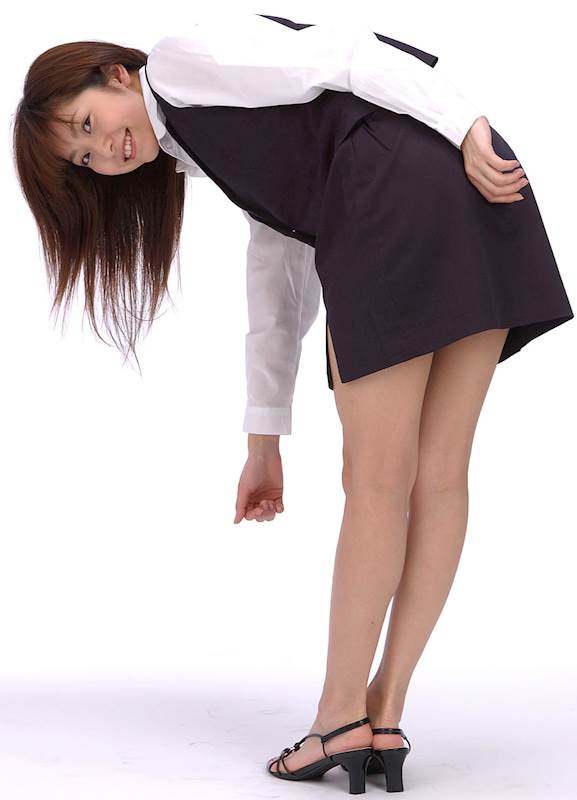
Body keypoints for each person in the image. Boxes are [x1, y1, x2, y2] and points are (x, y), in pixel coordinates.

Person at [11, 12, 573, 795]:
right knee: (439, 475)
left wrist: (465, 121)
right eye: (84, 158)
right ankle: (382, 713)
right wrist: (263, 437)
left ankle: (338, 718)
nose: (104, 150)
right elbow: (276, 267)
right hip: (462, 184)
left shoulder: (174, 66)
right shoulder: (210, 140)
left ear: (112, 74)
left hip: (412, 176)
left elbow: (341, 53)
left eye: (85, 124)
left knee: (377, 481)